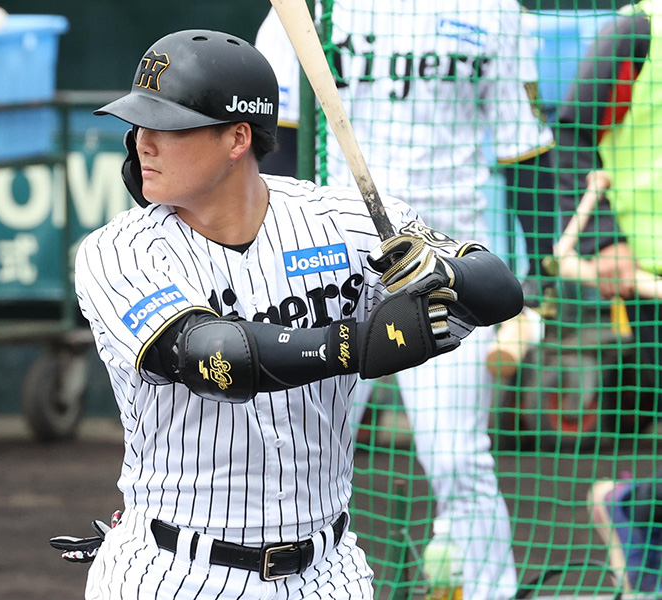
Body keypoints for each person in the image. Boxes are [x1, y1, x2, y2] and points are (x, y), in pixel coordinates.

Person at [72, 28, 524, 599]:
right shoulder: (120, 250)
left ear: (237, 138)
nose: (142, 142)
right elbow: (218, 359)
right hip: (176, 567)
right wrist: (358, 343)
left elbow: (500, 291)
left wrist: (443, 275)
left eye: (167, 126)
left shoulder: (338, 218)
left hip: (328, 570)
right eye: (138, 124)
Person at [254, 3, 557, 600]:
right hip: (328, 266)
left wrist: (540, 284)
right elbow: (274, 140)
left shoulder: (496, 10)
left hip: (447, 267)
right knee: (295, 454)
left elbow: (526, 154)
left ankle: (494, 592)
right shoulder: (314, 7)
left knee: (455, 460)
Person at [554, 2, 661, 592]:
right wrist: (604, 240)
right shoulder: (641, 30)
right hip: (650, 282)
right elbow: (574, 127)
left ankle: (632, 507)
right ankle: (633, 511)